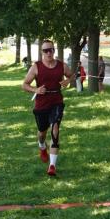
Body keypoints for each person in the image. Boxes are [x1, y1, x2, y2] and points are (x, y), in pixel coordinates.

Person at [22, 39, 73, 176]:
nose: (49, 53)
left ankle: (52, 166)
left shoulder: (62, 66)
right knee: (42, 133)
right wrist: (36, 90)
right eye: (45, 50)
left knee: (55, 129)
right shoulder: (36, 67)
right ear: (42, 52)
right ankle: (42, 146)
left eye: (51, 50)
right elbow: (24, 85)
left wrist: (68, 81)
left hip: (57, 101)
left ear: (54, 50)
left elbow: (71, 75)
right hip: (41, 104)